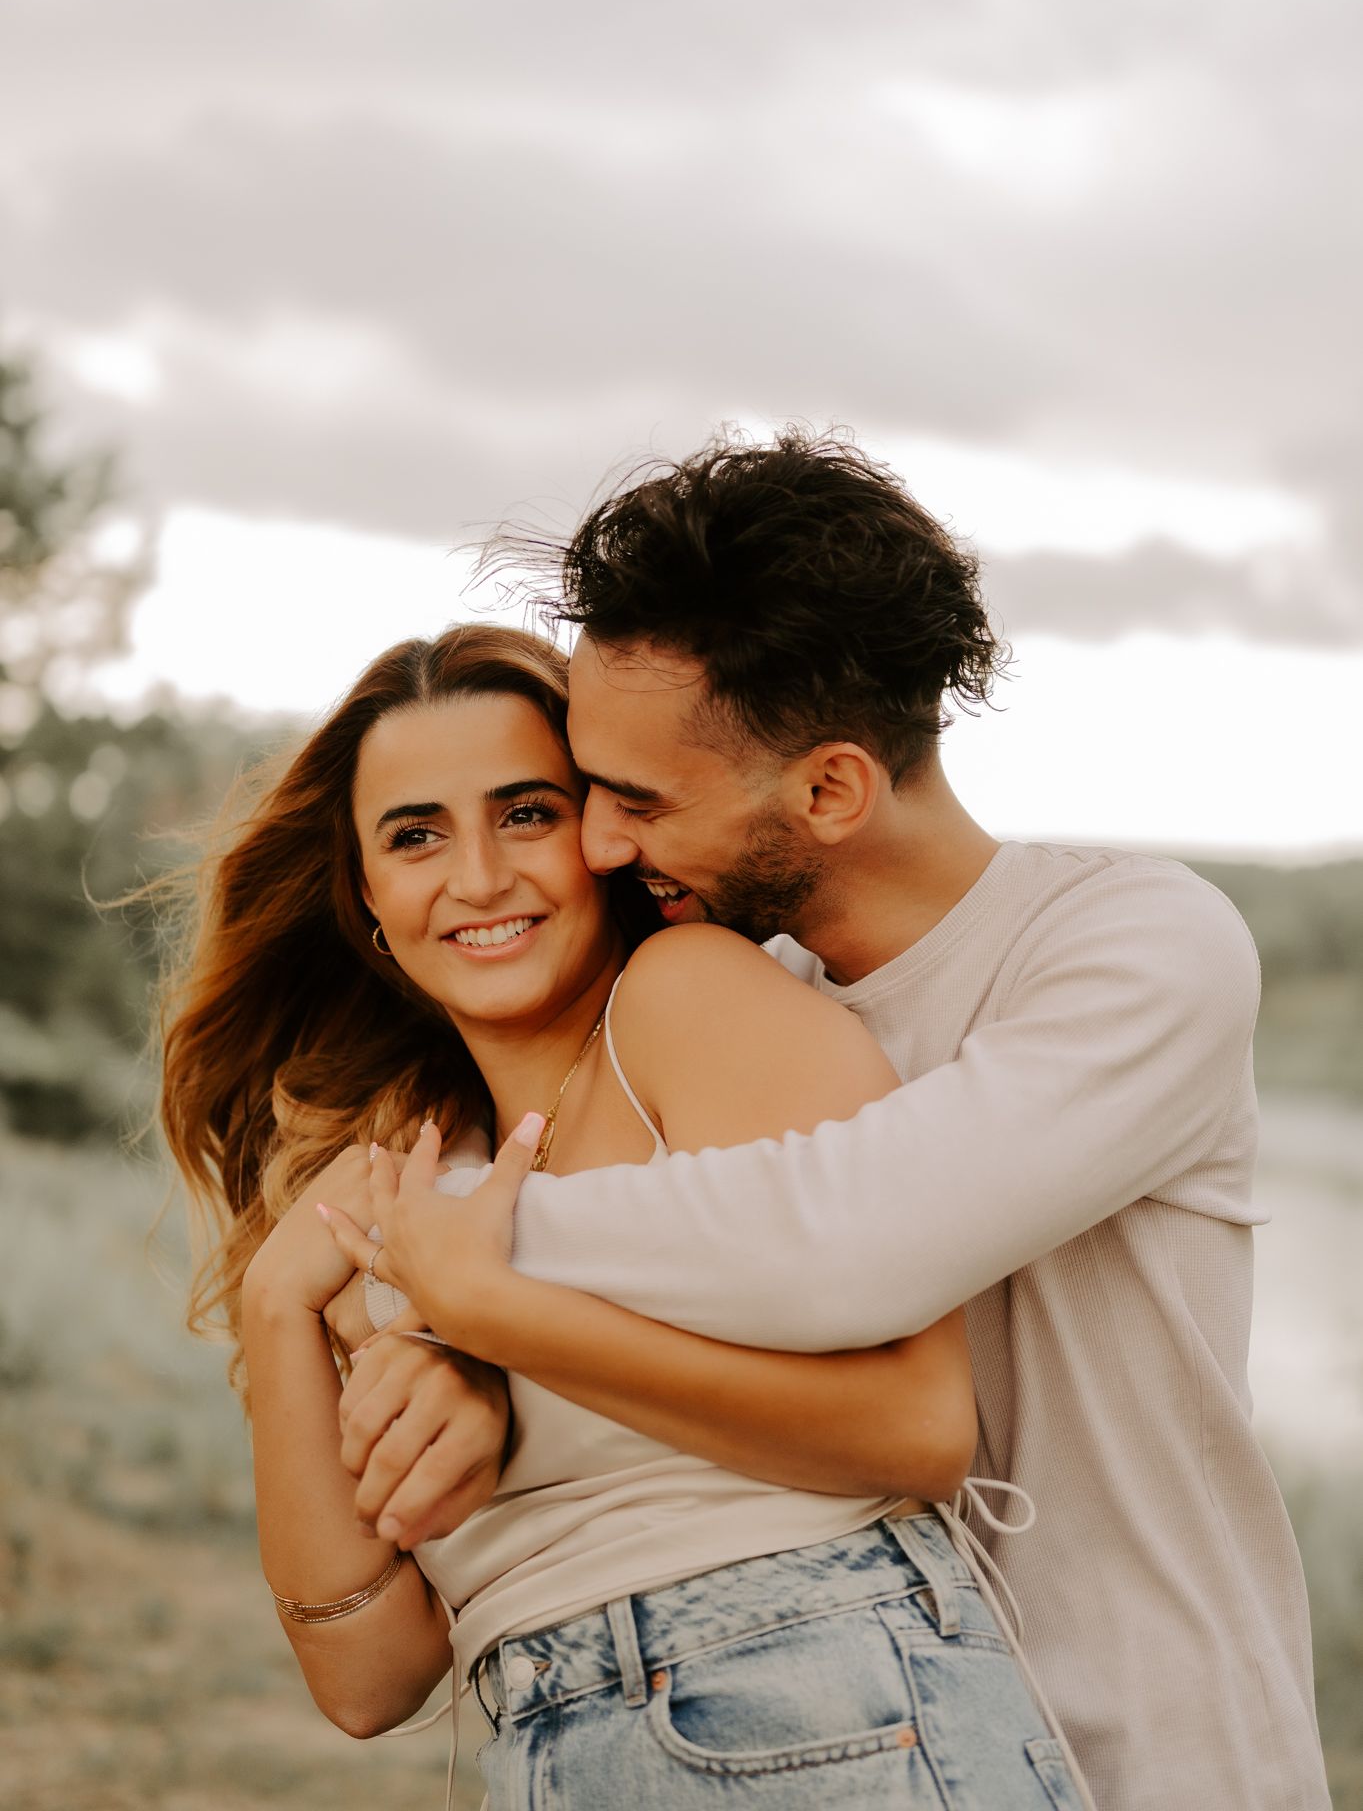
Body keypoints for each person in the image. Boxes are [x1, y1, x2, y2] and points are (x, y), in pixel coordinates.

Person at [343, 430, 1330, 1811]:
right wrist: (468, 1340)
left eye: (635, 801)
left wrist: (455, 1256)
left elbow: (844, 1242)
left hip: (1150, 1755)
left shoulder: (1130, 948)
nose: (603, 848)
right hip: (839, 1735)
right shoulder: (762, 1006)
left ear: (827, 790)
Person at [159, 622, 1088, 1811]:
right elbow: (368, 1676)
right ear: (369, 899)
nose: (482, 876)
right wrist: (278, 1300)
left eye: (527, 812)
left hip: (821, 1691)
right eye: (416, 834)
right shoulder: (398, 1188)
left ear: (601, 838)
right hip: (553, 1746)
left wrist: (499, 1329)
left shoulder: (681, 997)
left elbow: (914, 1429)